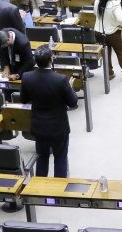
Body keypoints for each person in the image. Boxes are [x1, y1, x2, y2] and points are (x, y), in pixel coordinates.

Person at [20, 45, 78, 178]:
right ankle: (58, 192)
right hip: (58, 127)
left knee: (42, 158)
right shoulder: (61, 80)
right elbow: (73, 102)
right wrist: (70, 87)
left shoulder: (27, 77)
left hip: (39, 127)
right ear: (51, 60)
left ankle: (41, 189)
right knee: (60, 158)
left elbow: (23, 99)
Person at [93, 0, 122, 81]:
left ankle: (109, 73)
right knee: (120, 52)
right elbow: (121, 19)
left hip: (99, 32)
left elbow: (95, 13)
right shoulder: (115, 4)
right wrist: (121, 25)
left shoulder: (98, 0)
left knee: (106, 53)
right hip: (113, 33)